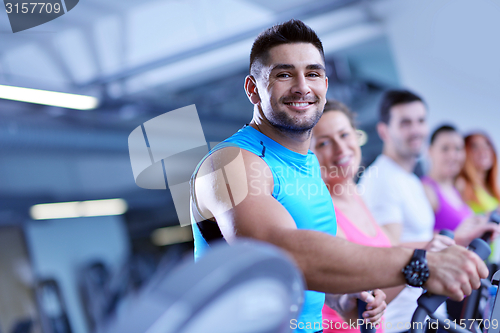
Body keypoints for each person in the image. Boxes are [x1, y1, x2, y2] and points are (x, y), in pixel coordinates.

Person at [190, 20, 488, 333]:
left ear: (325, 85)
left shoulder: (308, 165)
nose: (302, 86)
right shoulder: (228, 162)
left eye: (313, 73)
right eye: (284, 74)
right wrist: (419, 263)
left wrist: (346, 298)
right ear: (253, 89)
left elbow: (321, 282)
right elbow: (280, 253)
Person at [422, 125, 499, 239]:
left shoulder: (457, 189)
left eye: (458, 149)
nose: (453, 155)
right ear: (430, 151)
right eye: (445, 148)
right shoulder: (426, 189)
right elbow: (416, 236)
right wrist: (456, 236)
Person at [457, 132, 500, 214]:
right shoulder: (462, 184)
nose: (483, 151)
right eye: (474, 147)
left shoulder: (493, 188)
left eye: (487, 145)